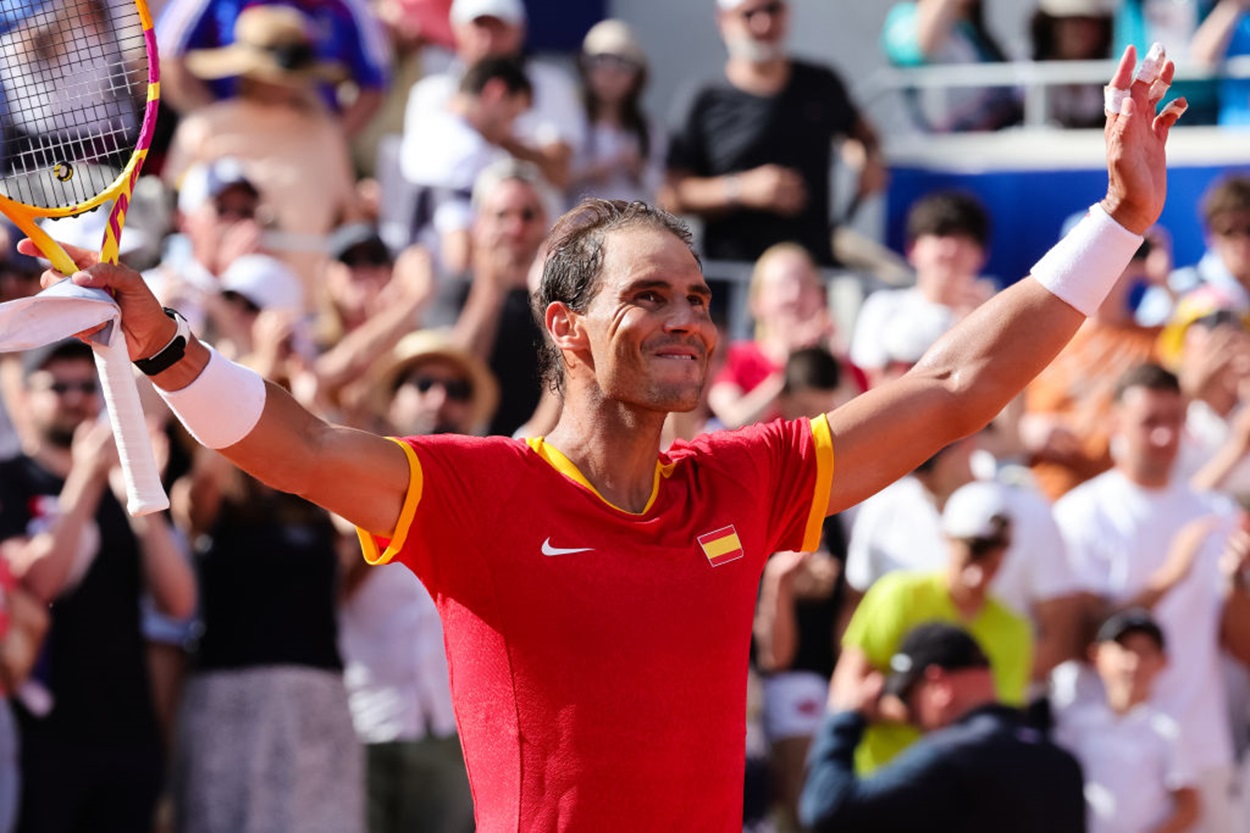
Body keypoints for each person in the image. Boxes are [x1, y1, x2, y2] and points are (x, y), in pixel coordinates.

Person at [24, 46, 1183, 830]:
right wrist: (170, 348)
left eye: (695, 296)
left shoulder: (744, 479)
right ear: (567, 328)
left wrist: (1119, 221)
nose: (686, 319)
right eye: (651, 298)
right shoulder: (476, 496)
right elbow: (301, 448)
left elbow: (951, 381)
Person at [0, 340, 196, 833]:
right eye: (57, 386)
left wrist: (140, 497)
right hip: (37, 734)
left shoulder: (119, 485)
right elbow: (39, 583)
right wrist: (86, 479)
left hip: (127, 729)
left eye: (87, 386)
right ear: (22, 398)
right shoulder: (9, 481)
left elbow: (180, 603)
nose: (75, 397)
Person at [1053, 362, 1245, 832]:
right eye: (1150, 421)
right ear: (1115, 422)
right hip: (1109, 752)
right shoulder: (1080, 515)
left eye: (1175, 420)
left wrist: (1239, 587)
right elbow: (1078, 638)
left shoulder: (1217, 515)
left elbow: (1238, 644)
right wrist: (1168, 576)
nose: (1164, 436)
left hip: (1200, 744)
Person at [338, 330, 497, 833]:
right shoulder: (346, 474)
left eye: (457, 390)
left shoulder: (494, 485)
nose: (440, 399)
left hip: (454, 731)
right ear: (394, 397)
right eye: (423, 382)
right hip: (357, 718)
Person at [799, 622, 1086, 832]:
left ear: (938, 683)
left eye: (910, 702)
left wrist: (846, 718)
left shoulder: (950, 756)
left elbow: (827, 808)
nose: (913, 722)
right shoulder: (1062, 763)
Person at [661, 0, 884, 269]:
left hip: (810, 277)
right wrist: (741, 189)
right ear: (724, 21)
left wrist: (866, 160)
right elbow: (671, 194)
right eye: (749, 14)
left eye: (772, 9)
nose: (764, 23)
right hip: (735, 280)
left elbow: (862, 134)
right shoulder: (703, 100)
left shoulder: (821, 83)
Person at [162, 4, 363, 299]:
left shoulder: (323, 133)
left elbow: (349, 221)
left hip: (305, 308)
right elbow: (175, 219)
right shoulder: (204, 128)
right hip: (218, 306)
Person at [834, 477, 1033, 773]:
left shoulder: (1014, 630)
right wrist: (927, 712)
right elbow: (845, 694)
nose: (978, 574)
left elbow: (1001, 722)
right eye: (972, 551)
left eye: (993, 559)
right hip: (880, 782)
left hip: (960, 795)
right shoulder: (898, 596)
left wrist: (902, 705)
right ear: (946, 538)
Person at [400, 0, 584, 192]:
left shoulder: (553, 84)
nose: (488, 40)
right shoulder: (429, 93)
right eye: (479, 26)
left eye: (498, 27)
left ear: (519, 30)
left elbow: (559, 173)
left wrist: (498, 136)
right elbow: (421, 172)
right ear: (458, 30)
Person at [1053, 608, 1200, 833]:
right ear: (1096, 656)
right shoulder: (1077, 724)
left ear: (1163, 661)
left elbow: (1189, 807)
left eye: (1145, 652)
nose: (1133, 662)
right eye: (1124, 649)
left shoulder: (1166, 730)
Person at [156, 0, 391, 137]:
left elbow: (374, 86)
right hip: (223, 141)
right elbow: (169, 56)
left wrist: (324, 142)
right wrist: (217, 124)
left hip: (305, 144)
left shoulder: (351, 7)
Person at [397, 55, 533, 277]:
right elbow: (457, 248)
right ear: (495, 92)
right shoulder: (467, 148)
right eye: (512, 115)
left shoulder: (425, 130)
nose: (511, 131)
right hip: (439, 285)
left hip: (406, 273)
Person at [849, 190, 996, 388]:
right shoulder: (883, 306)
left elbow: (1009, 397)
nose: (951, 248)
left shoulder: (997, 313)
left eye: (963, 238)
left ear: (982, 254)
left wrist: (982, 328)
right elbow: (865, 385)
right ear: (912, 249)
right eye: (940, 234)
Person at [881, 0, 1024, 132]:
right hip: (933, 149)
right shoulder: (905, 20)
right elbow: (925, 47)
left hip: (989, 141)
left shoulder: (970, 30)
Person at [568, 19, 666, 206]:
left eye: (623, 64)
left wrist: (638, 169)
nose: (610, 74)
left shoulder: (648, 130)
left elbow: (665, 190)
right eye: (600, 62)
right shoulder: (569, 120)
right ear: (584, 67)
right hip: (579, 228)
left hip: (633, 229)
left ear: (638, 76)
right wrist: (590, 171)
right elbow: (551, 180)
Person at [1030, 0, 1117, 128]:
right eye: (1072, 21)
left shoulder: (1112, 75)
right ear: (1052, 27)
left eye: (1088, 21)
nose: (1081, 30)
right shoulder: (1029, 73)